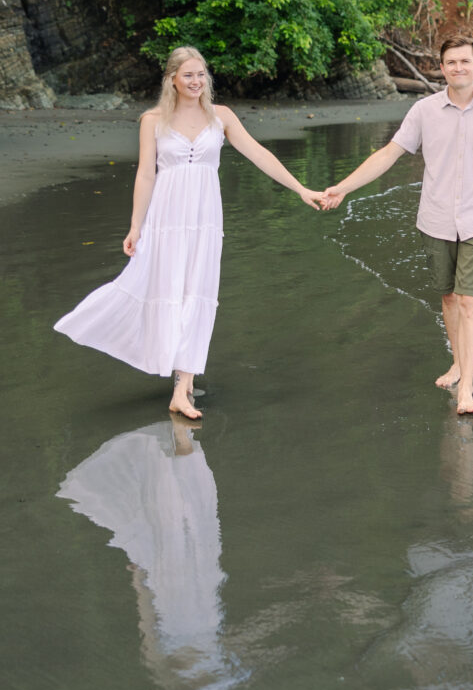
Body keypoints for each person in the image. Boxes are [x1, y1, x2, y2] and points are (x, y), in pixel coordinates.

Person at [55, 46, 324, 419]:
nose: (196, 82)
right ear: (172, 80)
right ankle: (171, 369)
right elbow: (146, 174)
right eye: (188, 75)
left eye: (201, 75)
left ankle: (183, 388)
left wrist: (301, 189)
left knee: (199, 293)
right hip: (165, 220)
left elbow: (259, 154)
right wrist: (135, 226)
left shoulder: (221, 117)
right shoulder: (152, 120)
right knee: (164, 291)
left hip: (205, 220)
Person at [322, 34, 473, 415]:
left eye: (465, 61)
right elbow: (388, 155)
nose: (458, 67)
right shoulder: (423, 111)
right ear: (441, 68)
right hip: (436, 219)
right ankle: (458, 362)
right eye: (451, 62)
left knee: (468, 299)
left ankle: (467, 390)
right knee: (447, 296)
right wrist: (343, 188)